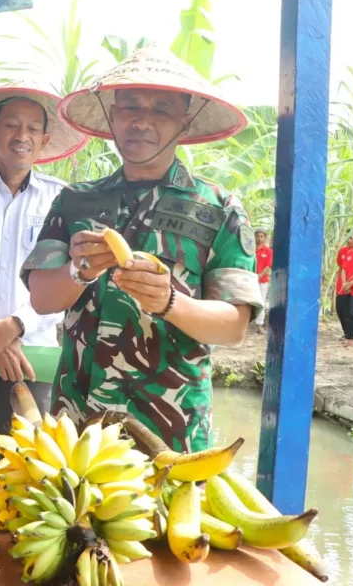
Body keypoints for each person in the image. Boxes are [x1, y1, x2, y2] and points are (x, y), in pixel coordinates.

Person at [23, 45, 263, 453]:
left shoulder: (218, 209)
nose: (141, 121)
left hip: (170, 426)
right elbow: (42, 300)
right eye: (129, 107)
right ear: (112, 115)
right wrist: (78, 271)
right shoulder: (75, 201)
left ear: (183, 124)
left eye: (161, 111)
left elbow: (233, 326)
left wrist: (170, 302)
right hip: (77, 421)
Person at [0, 86, 85, 477]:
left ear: (44, 139)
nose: (21, 136)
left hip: (31, 358)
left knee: (28, 466)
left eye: (32, 128)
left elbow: (68, 278)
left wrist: (14, 327)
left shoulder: (61, 200)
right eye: (10, 125)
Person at [253, 228, 273, 333]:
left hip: (262, 281)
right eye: (257, 236)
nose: (259, 238)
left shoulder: (268, 251)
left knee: (261, 302)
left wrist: (260, 275)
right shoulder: (250, 249)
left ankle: (259, 326)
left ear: (265, 238)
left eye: (262, 236)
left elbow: (269, 265)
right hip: (249, 280)